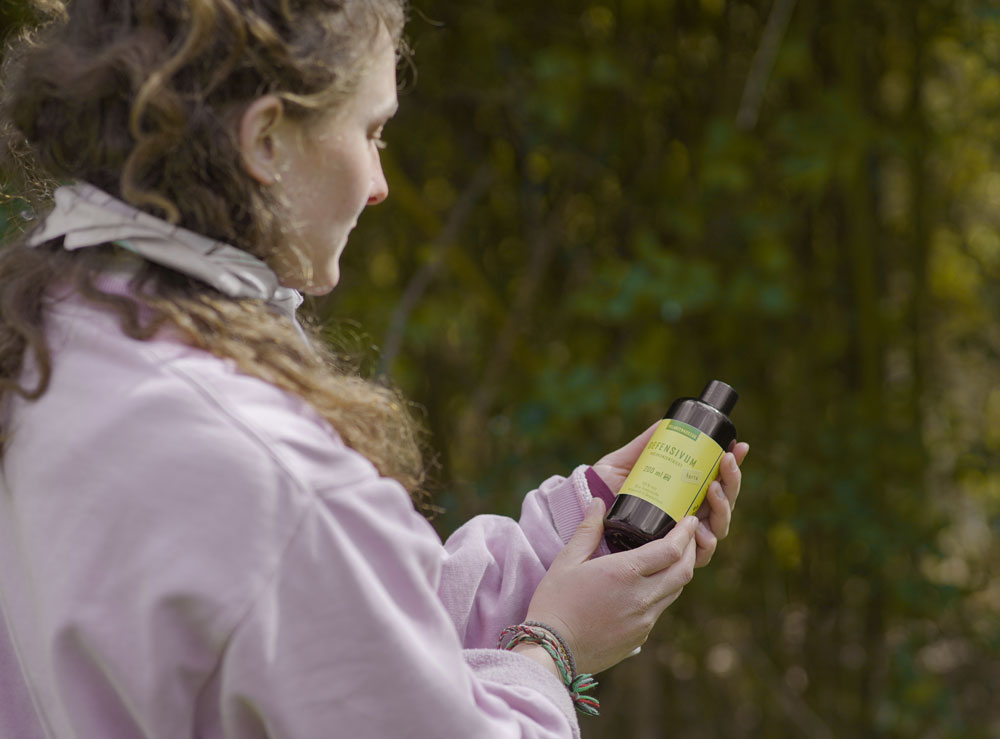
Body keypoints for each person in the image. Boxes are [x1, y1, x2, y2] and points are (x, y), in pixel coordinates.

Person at [0, 1, 749, 737]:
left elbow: (344, 640)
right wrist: (553, 649)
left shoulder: (47, 341)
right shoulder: (274, 476)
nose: (380, 184)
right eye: (371, 131)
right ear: (265, 139)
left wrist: (576, 531)